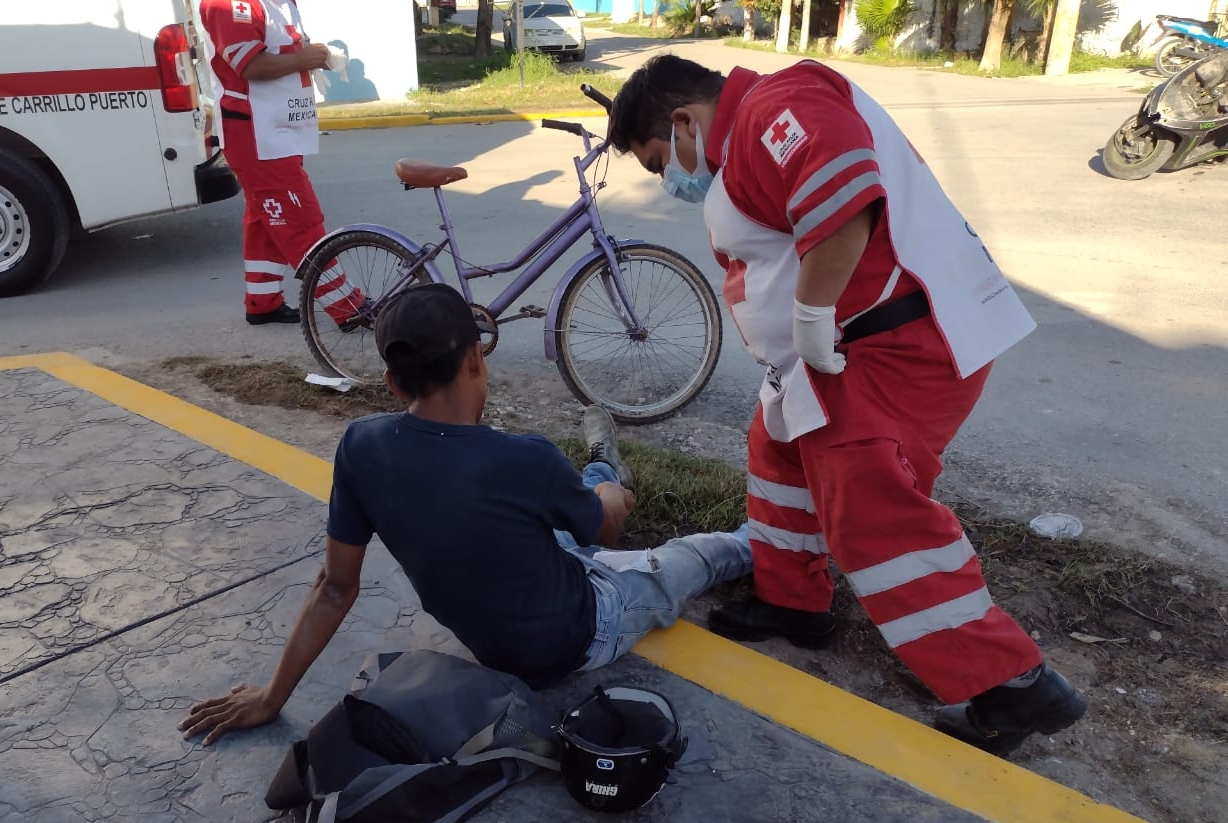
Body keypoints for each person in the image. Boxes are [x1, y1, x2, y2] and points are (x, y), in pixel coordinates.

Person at [605, 54, 1087, 756]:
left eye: (659, 161)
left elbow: (844, 201)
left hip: (897, 341)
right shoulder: (751, 134)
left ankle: (1009, 685)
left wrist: (808, 318)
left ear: (683, 122)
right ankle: (792, 598)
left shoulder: (775, 110)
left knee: (870, 507)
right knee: (778, 449)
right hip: (851, 342)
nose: (671, 179)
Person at [180, 283, 752, 745]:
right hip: (582, 632)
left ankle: (601, 465)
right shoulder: (522, 458)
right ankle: (751, 532)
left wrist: (271, 696)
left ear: (390, 379)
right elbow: (606, 532)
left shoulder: (361, 447)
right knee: (690, 554)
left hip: (506, 621)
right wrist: (611, 507)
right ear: (477, 357)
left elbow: (334, 587)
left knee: (558, 511)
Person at [199, 0, 364, 327]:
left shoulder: (280, 3)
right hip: (255, 130)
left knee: (266, 215)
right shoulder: (230, 4)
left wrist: (316, 58)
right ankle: (348, 307)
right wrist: (303, 59)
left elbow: (283, 50)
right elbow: (249, 65)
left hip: (277, 127)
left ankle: (262, 300)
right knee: (297, 215)